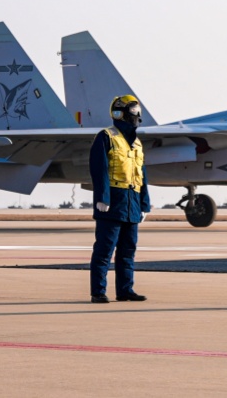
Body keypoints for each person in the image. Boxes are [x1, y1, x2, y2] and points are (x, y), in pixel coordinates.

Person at [89, 95, 151, 303]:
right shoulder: (106, 137)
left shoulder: (137, 143)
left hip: (132, 202)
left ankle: (125, 290)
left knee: (128, 250)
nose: (137, 116)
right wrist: (102, 197)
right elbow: (99, 170)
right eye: (133, 112)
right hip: (112, 202)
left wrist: (144, 204)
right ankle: (98, 291)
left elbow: (142, 174)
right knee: (104, 250)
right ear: (121, 112)